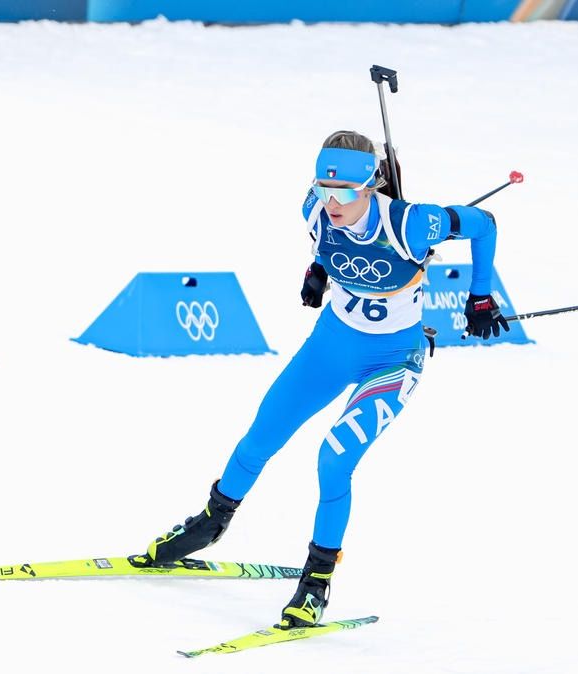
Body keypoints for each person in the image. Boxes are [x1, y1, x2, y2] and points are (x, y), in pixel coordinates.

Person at [132, 130, 508, 628]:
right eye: (324, 190)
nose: (332, 203)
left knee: (334, 459)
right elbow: (326, 243)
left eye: (344, 193)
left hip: (393, 360)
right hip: (331, 345)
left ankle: (316, 582)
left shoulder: (414, 223)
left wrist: (479, 296)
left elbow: (486, 225)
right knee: (261, 436)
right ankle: (210, 523)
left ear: (370, 186)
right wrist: (317, 271)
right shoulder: (314, 210)